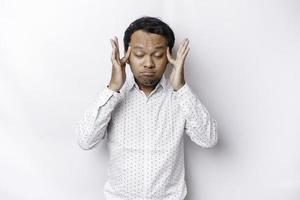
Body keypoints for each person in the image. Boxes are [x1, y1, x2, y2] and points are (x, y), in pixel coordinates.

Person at [75, 16, 218, 200]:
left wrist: (181, 88)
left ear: (168, 57)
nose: (148, 63)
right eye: (140, 55)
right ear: (127, 56)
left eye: (158, 55)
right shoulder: (113, 97)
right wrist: (113, 87)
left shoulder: (180, 98)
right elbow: (86, 141)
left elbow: (208, 139)